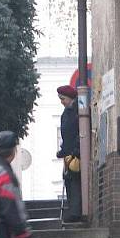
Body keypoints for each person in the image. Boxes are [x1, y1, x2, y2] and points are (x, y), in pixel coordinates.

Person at [56, 84, 82, 223]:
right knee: (68, 179)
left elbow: (79, 132)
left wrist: (76, 150)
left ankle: (75, 212)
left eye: (63, 98)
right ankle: (73, 210)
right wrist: (62, 151)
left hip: (76, 153)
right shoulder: (66, 113)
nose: (61, 102)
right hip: (68, 153)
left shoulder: (77, 110)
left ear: (70, 98)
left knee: (74, 180)